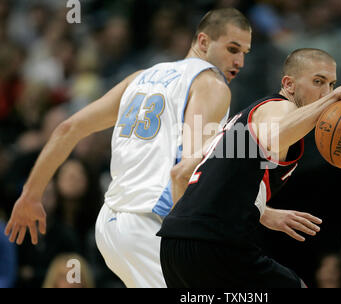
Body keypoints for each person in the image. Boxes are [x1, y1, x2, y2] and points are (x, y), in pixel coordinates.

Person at [5, 8, 320, 288]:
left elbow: (67, 128)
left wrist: (31, 195)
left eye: (246, 52)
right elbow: (192, 169)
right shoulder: (211, 84)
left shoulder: (140, 78)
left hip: (110, 226)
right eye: (232, 48)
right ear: (203, 41)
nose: (239, 61)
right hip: (152, 223)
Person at [157, 48, 341, 288]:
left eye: (332, 85)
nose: (326, 92)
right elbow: (275, 136)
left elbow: (181, 174)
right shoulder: (280, 108)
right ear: (289, 84)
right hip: (218, 243)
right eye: (318, 82)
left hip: (174, 248)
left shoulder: (238, 123)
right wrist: (332, 100)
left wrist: (262, 211)